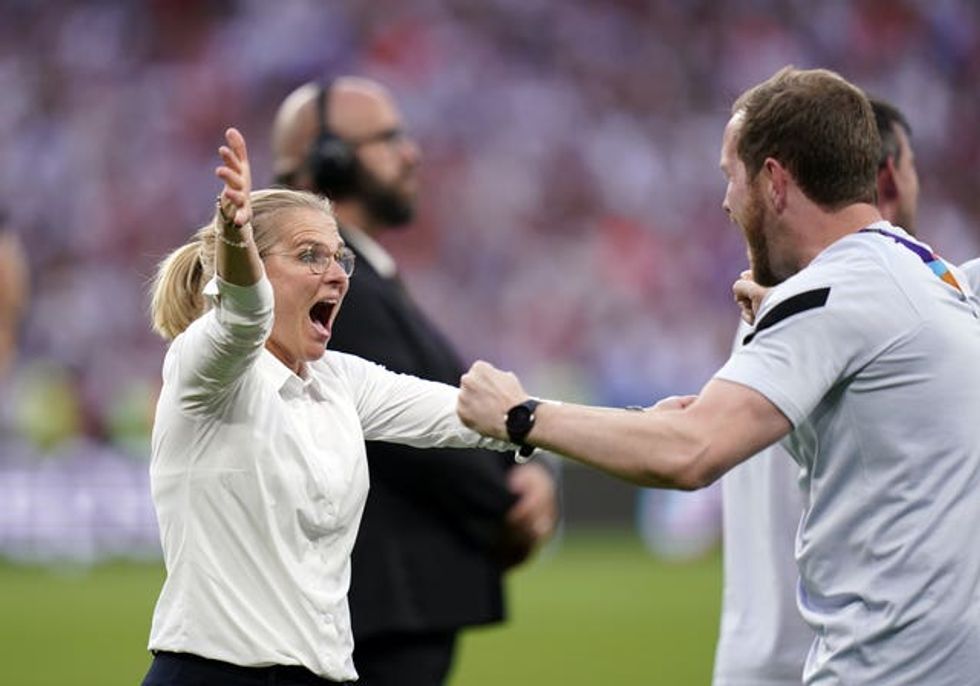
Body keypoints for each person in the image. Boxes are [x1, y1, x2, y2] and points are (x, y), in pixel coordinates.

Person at [456, 67, 980, 685]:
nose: (726, 201)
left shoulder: (835, 296)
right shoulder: (929, 274)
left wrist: (524, 415)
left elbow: (691, 452)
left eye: (730, 176)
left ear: (774, 182)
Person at [142, 128, 518, 686]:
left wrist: (642, 426)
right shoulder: (203, 367)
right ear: (250, 266)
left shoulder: (339, 379)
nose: (338, 273)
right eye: (310, 255)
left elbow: (470, 417)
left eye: (339, 256)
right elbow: (243, 319)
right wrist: (236, 241)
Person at [269, 77, 558, 685]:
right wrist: (513, 498)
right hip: (382, 611)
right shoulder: (329, 282)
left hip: (385, 609)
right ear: (330, 162)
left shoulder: (359, 272)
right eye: (388, 138)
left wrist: (524, 468)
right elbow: (415, 437)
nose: (412, 153)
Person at [712, 97, 922, 686]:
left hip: (754, 651)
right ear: (887, 176)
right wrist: (526, 419)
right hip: (839, 654)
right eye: (912, 168)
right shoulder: (862, 314)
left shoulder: (775, 306)